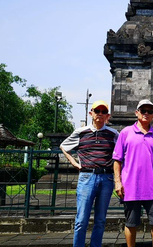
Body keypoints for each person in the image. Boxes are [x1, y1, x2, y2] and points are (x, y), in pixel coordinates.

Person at [60, 100, 119, 247]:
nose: (100, 114)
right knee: (81, 219)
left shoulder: (113, 134)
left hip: (106, 177)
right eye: (97, 111)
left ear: (108, 115)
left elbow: (120, 155)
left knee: (100, 219)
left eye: (103, 112)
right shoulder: (81, 132)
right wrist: (74, 163)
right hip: (87, 176)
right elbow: (63, 146)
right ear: (90, 113)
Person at [113, 99, 153, 247]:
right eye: (143, 111)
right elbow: (117, 160)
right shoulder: (125, 133)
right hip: (131, 186)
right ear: (137, 113)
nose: (147, 114)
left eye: (150, 111)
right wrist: (118, 182)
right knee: (131, 223)